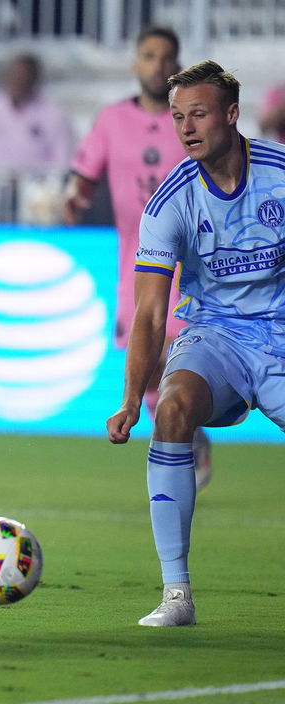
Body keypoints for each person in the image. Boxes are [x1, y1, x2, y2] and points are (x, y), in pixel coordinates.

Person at [107, 60, 285, 627]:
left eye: (199, 114)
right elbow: (151, 313)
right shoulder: (169, 203)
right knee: (176, 408)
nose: (186, 128)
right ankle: (176, 594)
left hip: (280, 335)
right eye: (178, 116)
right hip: (216, 338)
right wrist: (134, 398)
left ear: (232, 115)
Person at [65, 26, 211, 489]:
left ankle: (182, 436)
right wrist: (71, 201)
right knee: (145, 369)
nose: (157, 65)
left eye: (167, 56)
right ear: (135, 63)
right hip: (136, 263)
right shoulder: (111, 120)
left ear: (178, 65)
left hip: (191, 264)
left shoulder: (191, 122)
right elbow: (83, 178)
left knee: (176, 355)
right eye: (149, 55)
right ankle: (185, 432)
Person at [0, 52, 76, 173]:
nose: (16, 81)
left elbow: (62, 160)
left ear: (34, 80)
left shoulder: (54, 114)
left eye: (23, 77)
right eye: (13, 75)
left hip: (38, 187)